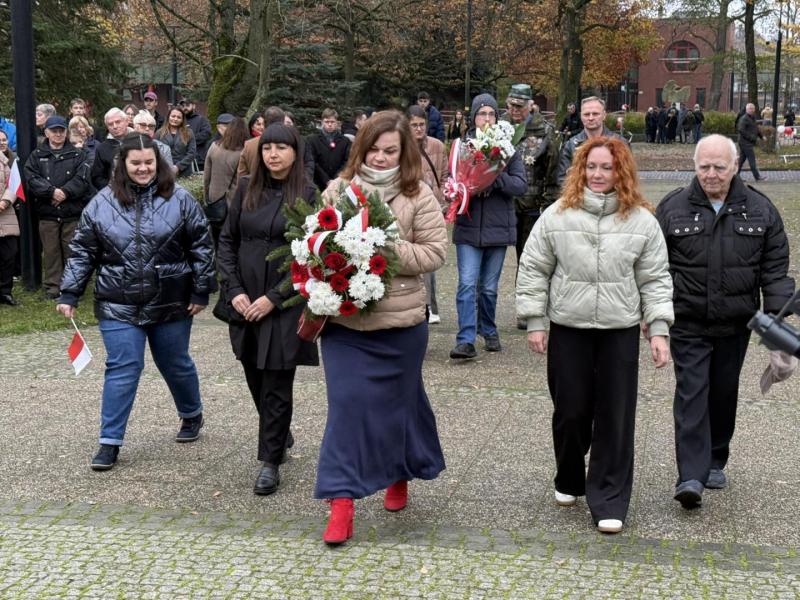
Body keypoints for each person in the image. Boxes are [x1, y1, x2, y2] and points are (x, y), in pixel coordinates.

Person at [517, 136, 673, 534]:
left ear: (621, 172)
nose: (599, 174)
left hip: (619, 332)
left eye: (607, 167)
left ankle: (609, 496)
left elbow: (655, 279)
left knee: (615, 416)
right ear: (580, 170)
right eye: (592, 167)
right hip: (569, 328)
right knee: (571, 411)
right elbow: (534, 269)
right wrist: (535, 320)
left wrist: (658, 330)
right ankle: (569, 475)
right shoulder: (557, 216)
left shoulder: (641, 221)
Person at [314, 110, 447, 546]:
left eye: (391, 150)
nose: (382, 157)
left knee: (399, 405)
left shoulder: (419, 195)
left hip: (400, 325)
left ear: (404, 152)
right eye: (374, 149)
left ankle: (400, 471)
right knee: (347, 407)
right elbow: (314, 244)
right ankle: (341, 501)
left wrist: (384, 248)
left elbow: (434, 254)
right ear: (361, 148)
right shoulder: (337, 190)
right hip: (345, 324)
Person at [56, 133, 216, 471]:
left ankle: (191, 413)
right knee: (123, 367)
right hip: (118, 302)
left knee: (175, 363)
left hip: (171, 300)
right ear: (122, 165)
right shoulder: (100, 203)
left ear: (158, 163)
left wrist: (201, 290)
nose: (143, 169)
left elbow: (201, 245)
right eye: (136, 163)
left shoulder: (182, 200)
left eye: (149, 163)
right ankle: (109, 441)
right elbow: (83, 250)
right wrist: (70, 292)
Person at [655, 134, 793, 508]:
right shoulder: (672, 208)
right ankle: (691, 476)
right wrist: (654, 316)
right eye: (704, 167)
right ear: (694, 166)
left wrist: (779, 332)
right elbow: (653, 267)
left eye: (719, 167)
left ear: (736, 167)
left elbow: (775, 273)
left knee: (722, 391)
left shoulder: (761, 210)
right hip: (688, 322)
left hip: (735, 324)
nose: (711, 174)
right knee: (691, 393)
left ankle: (716, 457)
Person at [217, 124, 319, 496]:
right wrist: (235, 290)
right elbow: (227, 241)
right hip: (244, 300)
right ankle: (279, 433)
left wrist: (273, 298)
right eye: (267, 148)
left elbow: (311, 257)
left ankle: (270, 461)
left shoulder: (308, 195)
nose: (273, 154)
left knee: (277, 382)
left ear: (295, 152)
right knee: (255, 377)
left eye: (281, 148)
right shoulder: (245, 188)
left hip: (284, 304)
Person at [450, 93, 527, 360]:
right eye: (481, 114)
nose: (486, 118)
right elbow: (452, 182)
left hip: (497, 225)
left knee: (489, 288)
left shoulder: (507, 149)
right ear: (474, 117)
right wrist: (466, 187)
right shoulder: (462, 146)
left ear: (497, 117)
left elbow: (520, 185)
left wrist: (494, 180)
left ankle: (489, 329)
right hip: (469, 226)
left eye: (491, 114)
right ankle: (466, 339)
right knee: (467, 284)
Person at [502, 84, 559, 329]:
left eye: (520, 106)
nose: (515, 110)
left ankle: (526, 311)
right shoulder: (497, 128)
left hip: (531, 206)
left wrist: (548, 205)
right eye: (511, 105)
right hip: (501, 205)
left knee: (528, 262)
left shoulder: (545, 132)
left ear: (530, 106)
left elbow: (553, 172)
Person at [23, 116, 92, 299]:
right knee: (51, 252)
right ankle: (53, 287)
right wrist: (51, 192)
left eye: (61, 130)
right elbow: (31, 179)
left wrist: (65, 193)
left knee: (72, 251)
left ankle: (72, 287)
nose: (58, 133)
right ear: (46, 132)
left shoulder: (79, 154)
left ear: (66, 132)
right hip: (47, 213)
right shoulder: (37, 155)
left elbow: (82, 179)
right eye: (54, 130)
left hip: (72, 212)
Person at [407, 105, 447, 325]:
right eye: (414, 125)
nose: (419, 129)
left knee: (430, 259)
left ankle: (430, 306)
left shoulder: (438, 146)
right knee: (417, 259)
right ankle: (422, 305)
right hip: (411, 207)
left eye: (422, 124)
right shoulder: (402, 148)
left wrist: (445, 198)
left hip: (435, 208)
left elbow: (445, 174)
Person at [557, 96, 626, 185]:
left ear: (604, 115)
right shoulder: (570, 146)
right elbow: (563, 180)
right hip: (579, 197)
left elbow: (627, 177)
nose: (590, 118)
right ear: (581, 116)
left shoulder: (620, 143)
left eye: (595, 114)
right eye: (586, 114)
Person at [203, 116, 248, 246]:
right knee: (232, 241)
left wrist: (208, 198)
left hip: (215, 201)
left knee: (216, 239)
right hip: (234, 203)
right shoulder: (243, 152)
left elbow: (207, 176)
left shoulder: (214, 147)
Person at [306, 108, 351, 191]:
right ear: (322, 122)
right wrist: (326, 180)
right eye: (327, 122)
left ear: (337, 123)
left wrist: (335, 179)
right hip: (318, 184)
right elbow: (313, 161)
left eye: (332, 122)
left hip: (339, 183)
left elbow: (347, 161)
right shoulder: (312, 140)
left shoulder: (345, 141)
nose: (330, 124)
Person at [237, 107, 286, 179]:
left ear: (264, 122)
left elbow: (241, 174)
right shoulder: (291, 142)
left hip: (255, 187)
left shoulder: (249, 144)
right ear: (283, 121)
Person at [91, 108, 133, 191]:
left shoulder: (139, 141)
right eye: (110, 124)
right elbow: (97, 177)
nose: (115, 126)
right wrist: (112, 189)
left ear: (127, 122)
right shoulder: (102, 148)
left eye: (118, 122)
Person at [0, 129, 20, 305]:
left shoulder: (8, 163)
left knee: (10, 253)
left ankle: (6, 291)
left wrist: (5, 202)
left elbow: (13, 185)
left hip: (6, 214)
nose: (2, 142)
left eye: (4, 139)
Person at [156, 108, 197, 177]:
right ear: (168, 117)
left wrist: (178, 167)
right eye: (173, 116)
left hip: (184, 171)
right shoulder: (159, 133)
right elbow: (156, 152)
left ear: (182, 120)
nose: (175, 119)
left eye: (179, 117)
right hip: (164, 171)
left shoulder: (189, 133)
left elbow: (192, 153)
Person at [737, 103, 766, 181]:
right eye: (750, 108)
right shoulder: (744, 118)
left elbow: (756, 128)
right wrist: (751, 137)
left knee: (741, 160)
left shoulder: (752, 117)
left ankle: (735, 177)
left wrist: (761, 136)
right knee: (751, 159)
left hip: (748, 142)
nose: (752, 110)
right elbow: (741, 130)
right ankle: (757, 177)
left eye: (753, 108)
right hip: (745, 142)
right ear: (747, 109)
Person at [179, 98, 212, 170]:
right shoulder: (179, 121)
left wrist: (189, 140)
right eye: (183, 106)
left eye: (187, 105)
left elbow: (206, 134)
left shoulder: (202, 120)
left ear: (194, 106)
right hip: (181, 160)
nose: (185, 108)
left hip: (199, 160)